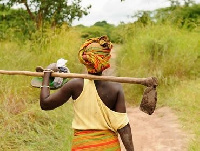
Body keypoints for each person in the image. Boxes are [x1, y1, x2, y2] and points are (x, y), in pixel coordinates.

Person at [40, 36, 134, 151]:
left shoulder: (75, 85)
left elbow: (45, 104)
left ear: (85, 60)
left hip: (82, 146)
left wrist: (47, 73)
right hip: (109, 146)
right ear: (105, 60)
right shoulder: (116, 88)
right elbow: (124, 128)